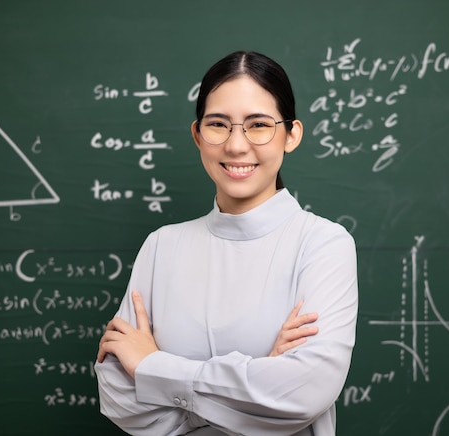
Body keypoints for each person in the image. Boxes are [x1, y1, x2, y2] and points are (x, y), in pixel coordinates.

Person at [95, 51, 358, 435]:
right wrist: (259, 375)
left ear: (292, 135)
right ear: (197, 134)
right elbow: (117, 396)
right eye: (218, 124)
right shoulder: (161, 247)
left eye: (258, 125)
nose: (236, 146)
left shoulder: (322, 244)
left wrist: (153, 369)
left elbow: (303, 394)